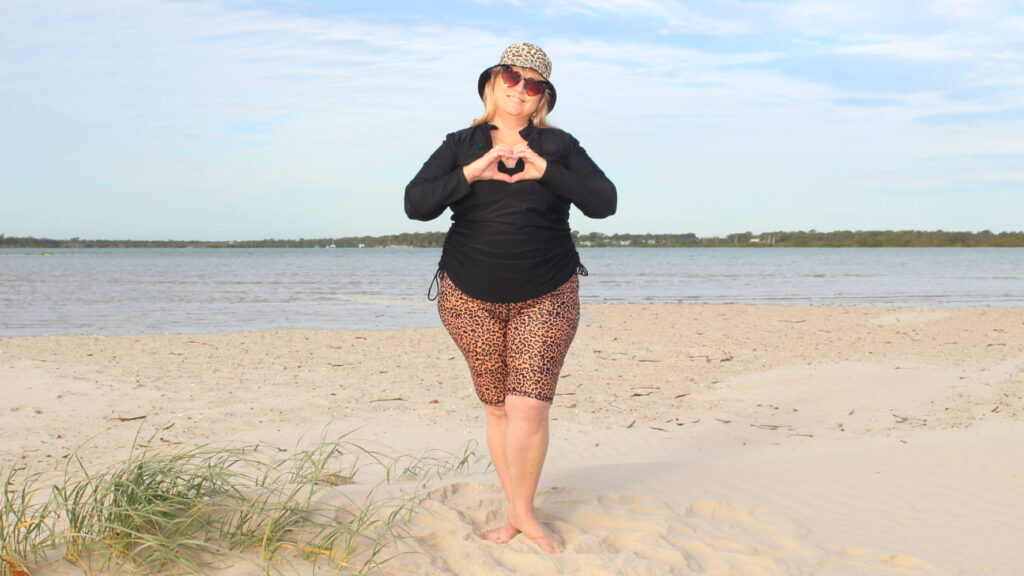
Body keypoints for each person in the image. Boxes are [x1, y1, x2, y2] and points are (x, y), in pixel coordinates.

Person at [404, 42, 616, 553]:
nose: (520, 89)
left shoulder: (560, 146)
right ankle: (516, 505)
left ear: (543, 97)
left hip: (547, 292)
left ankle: (522, 513)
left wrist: (544, 169)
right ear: (493, 81)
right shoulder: (460, 143)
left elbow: (604, 202)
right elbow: (416, 205)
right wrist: (475, 171)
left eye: (533, 83)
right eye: (512, 77)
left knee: (528, 408)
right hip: (467, 294)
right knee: (497, 408)